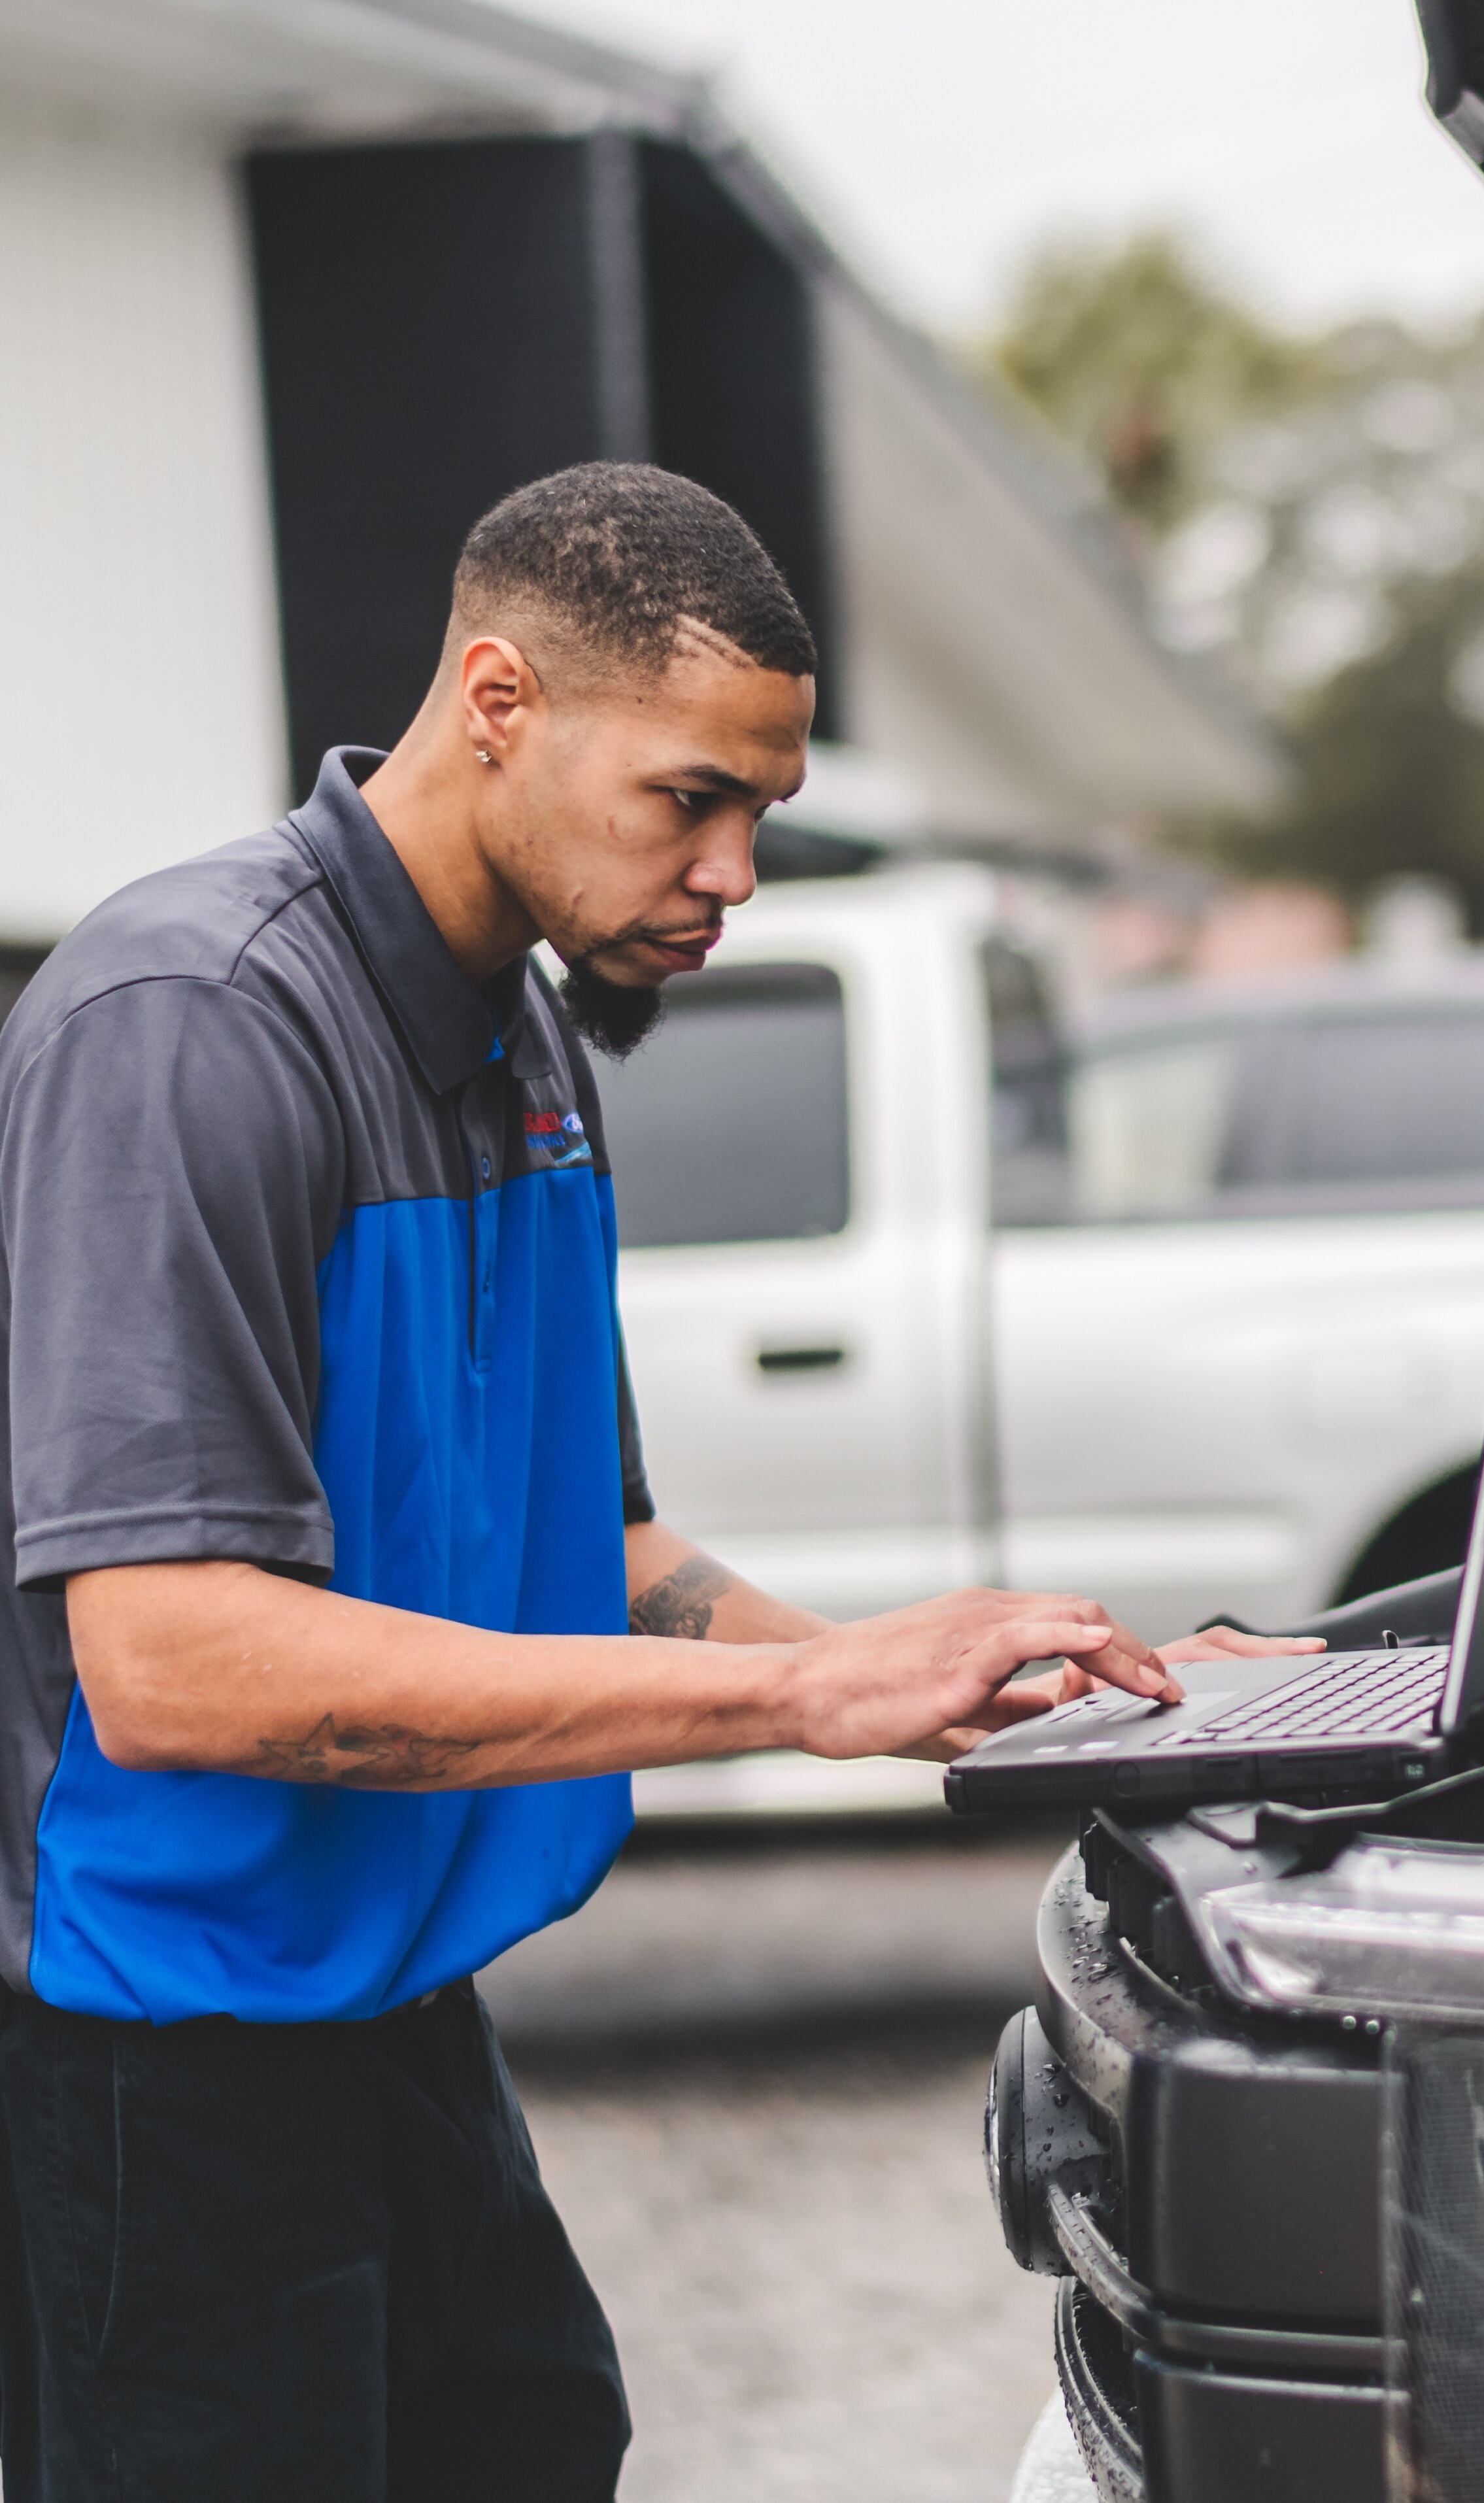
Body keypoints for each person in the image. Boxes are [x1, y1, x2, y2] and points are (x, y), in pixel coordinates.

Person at [0, 461, 1316, 2502]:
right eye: (688, 796)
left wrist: (973, 1682)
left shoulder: (521, 1030)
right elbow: (174, 1664)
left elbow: (601, 1551)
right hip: (151, 2044)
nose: (734, 867)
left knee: (533, 2433)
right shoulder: (193, 1024)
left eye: (761, 811)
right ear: (500, 700)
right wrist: (795, 1702)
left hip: (392, 2001)